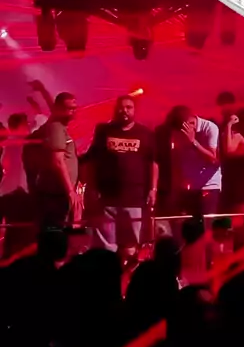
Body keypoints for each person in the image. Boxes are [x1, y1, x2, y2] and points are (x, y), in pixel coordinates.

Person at [86, 95, 157, 256]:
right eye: (121, 107)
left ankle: (130, 269)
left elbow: (153, 163)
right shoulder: (103, 131)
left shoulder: (145, 133)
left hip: (135, 197)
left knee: (132, 244)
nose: (124, 111)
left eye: (128, 107)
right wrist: (92, 186)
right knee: (106, 244)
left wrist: (153, 189)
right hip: (107, 197)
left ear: (135, 110)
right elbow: (93, 160)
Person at [32, 92, 81, 228]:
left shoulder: (60, 127)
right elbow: (58, 161)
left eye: (74, 108)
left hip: (57, 193)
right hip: (55, 193)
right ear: (58, 109)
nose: (72, 112)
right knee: (55, 230)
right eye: (68, 108)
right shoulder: (56, 128)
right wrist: (70, 191)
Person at [167, 105, 221, 217]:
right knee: (191, 224)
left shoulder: (210, 128)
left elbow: (213, 159)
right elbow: (176, 160)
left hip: (208, 186)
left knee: (206, 223)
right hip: (188, 187)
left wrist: (193, 142)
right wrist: (175, 187)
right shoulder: (177, 131)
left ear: (190, 122)